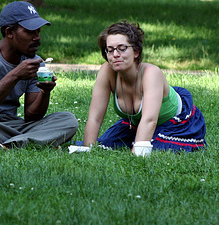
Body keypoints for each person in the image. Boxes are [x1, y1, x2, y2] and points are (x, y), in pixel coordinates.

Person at [0, 1, 79, 148]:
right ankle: (24, 142)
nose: (37, 37)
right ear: (9, 32)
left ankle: (11, 145)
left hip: (10, 126)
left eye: (38, 32)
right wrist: (15, 74)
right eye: (30, 32)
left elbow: (32, 117)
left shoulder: (34, 62)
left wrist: (45, 92)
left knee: (68, 120)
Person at [78, 21, 206, 155]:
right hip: (136, 123)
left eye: (122, 48)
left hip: (177, 123)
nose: (115, 54)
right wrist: (88, 149)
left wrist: (137, 154)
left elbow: (150, 120)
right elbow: (95, 117)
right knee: (107, 144)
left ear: (136, 52)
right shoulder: (107, 71)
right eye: (110, 50)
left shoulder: (151, 73)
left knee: (156, 148)